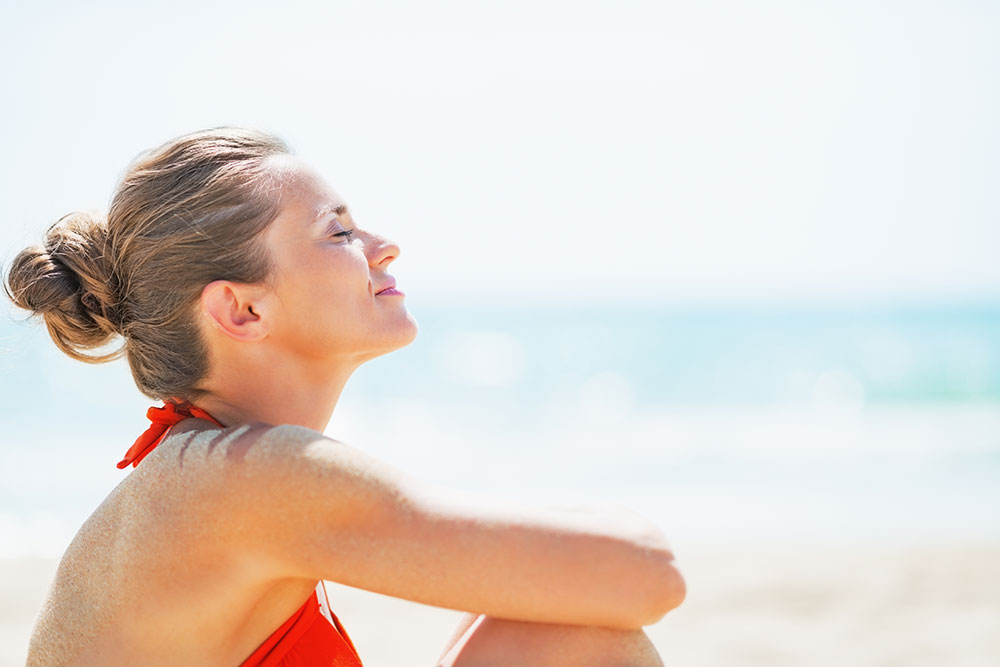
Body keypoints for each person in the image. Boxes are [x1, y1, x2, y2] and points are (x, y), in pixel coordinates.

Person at [4, 127, 685, 666]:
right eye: (339, 231)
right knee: (588, 639)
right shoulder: (244, 479)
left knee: (556, 638)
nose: (384, 247)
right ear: (242, 309)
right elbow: (652, 575)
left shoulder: (198, 472)